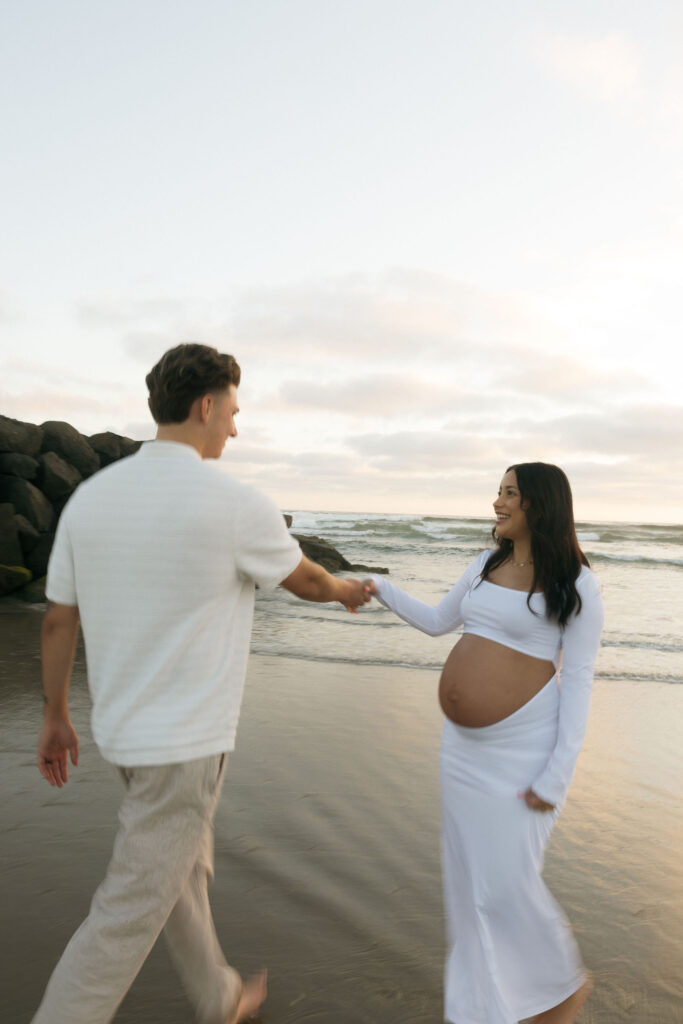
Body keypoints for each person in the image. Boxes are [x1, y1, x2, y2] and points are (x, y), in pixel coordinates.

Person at [33, 343, 370, 1024]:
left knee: (181, 868)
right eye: (235, 413)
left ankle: (217, 997)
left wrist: (55, 715)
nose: (236, 430)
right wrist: (344, 591)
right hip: (184, 746)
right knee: (129, 908)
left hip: (122, 734)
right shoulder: (233, 501)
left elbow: (58, 621)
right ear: (206, 405)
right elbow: (303, 578)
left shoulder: (90, 500)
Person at [364, 463, 604, 1024]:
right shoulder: (484, 565)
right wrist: (378, 588)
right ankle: (482, 1011)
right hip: (463, 754)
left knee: (504, 885)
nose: (497, 503)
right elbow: (435, 622)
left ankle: (561, 990)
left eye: (509, 494)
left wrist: (556, 776)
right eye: (498, 492)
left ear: (539, 505)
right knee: (468, 885)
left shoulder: (576, 584)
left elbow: (580, 683)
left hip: (524, 753)